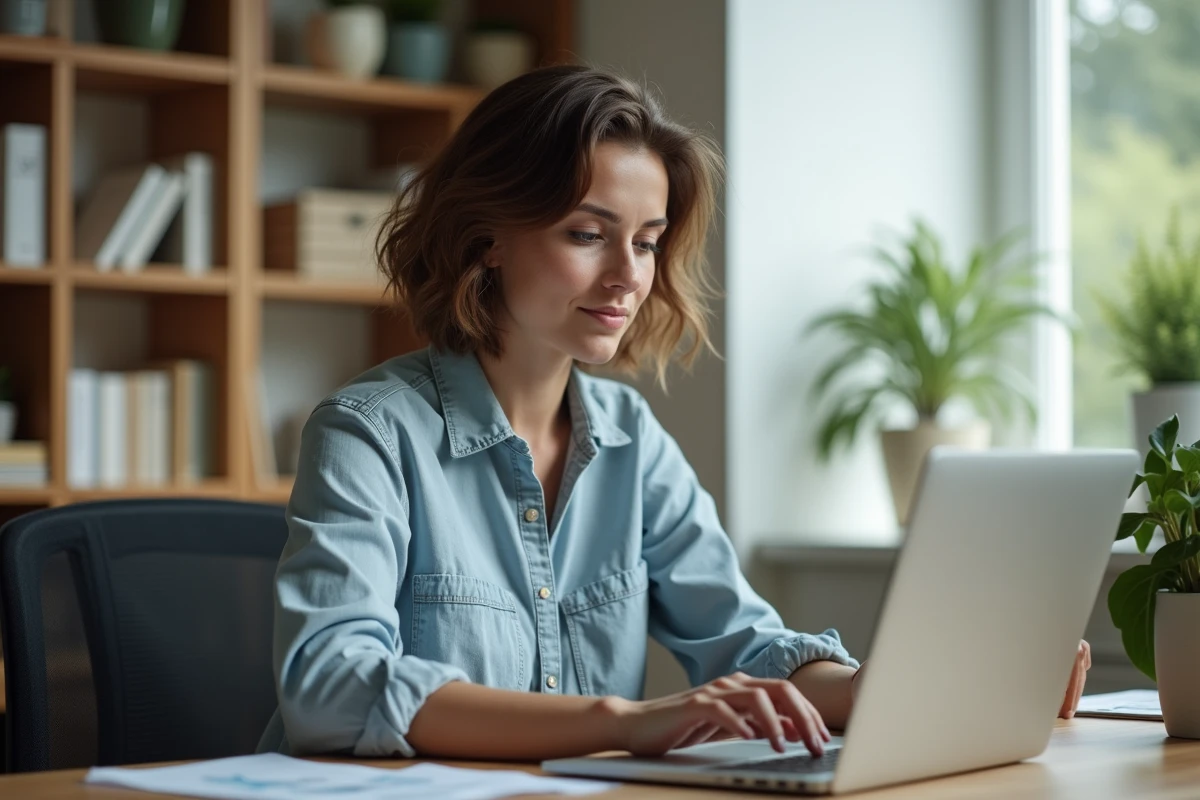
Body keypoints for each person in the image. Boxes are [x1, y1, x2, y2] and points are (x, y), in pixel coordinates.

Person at [256, 65, 1092, 762]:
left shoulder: (630, 439)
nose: (629, 274)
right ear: (487, 239)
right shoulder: (369, 431)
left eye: (648, 240)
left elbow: (747, 648)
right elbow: (332, 687)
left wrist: (913, 689)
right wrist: (624, 723)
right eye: (590, 233)